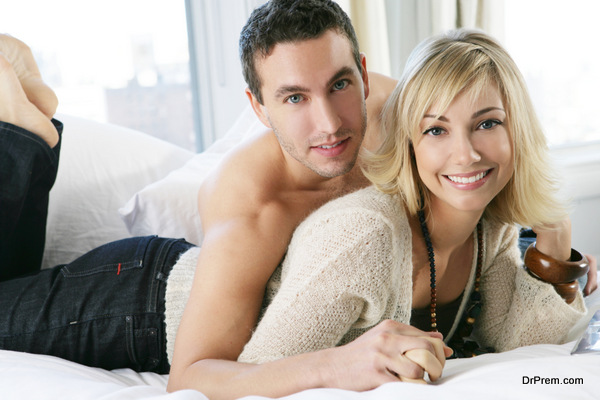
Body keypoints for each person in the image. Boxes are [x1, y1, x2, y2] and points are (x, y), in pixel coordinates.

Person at [0, 1, 596, 398]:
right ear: (257, 108)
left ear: (365, 76)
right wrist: (342, 364)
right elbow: (196, 374)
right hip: (146, 299)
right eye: (292, 98)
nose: (330, 123)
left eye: (340, 85)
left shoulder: (419, 112)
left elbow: (469, 188)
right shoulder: (253, 202)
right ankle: (27, 140)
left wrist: (549, 241)